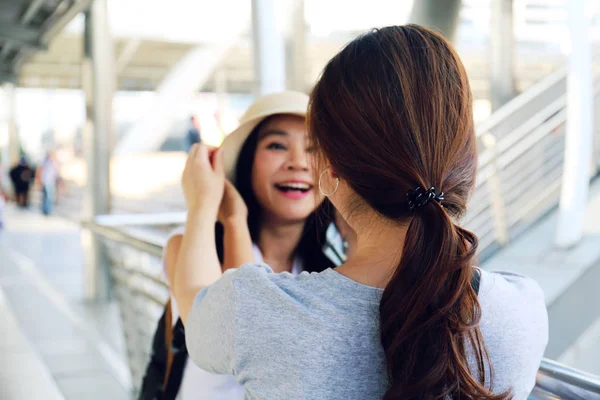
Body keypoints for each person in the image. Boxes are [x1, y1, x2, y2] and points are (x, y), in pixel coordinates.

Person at [173, 25, 548, 400]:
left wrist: (203, 207)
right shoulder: (522, 311)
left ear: (330, 168)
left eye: (312, 147)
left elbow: (195, 301)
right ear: (465, 161)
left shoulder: (256, 311)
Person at [139, 91, 350, 400]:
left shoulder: (332, 272)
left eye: (314, 149)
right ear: (247, 161)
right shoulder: (189, 248)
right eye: (277, 145)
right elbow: (240, 333)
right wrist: (232, 218)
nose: (298, 163)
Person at [36, 152, 59, 216]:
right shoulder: (45, 162)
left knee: (49, 197)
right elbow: (39, 171)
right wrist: (39, 181)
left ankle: (48, 210)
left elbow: (55, 173)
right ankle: (46, 210)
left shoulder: (53, 163)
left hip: (50, 182)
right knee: (46, 197)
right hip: (46, 181)